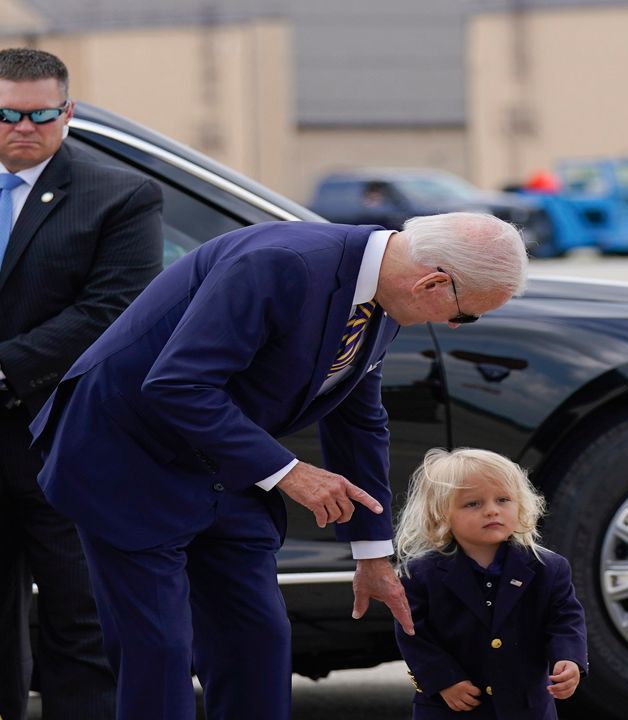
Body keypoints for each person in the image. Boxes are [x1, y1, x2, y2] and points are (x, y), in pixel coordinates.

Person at [29, 212, 528, 720]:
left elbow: (357, 421)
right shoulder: (283, 262)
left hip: (229, 459)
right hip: (129, 456)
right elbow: (178, 384)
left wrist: (372, 551)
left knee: (258, 639)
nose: (451, 325)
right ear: (434, 282)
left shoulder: (383, 296)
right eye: (465, 314)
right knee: (158, 650)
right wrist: (290, 472)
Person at [0, 47, 162, 720]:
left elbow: (113, 309)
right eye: (8, 114)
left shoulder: (119, 193)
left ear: (66, 112)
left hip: (61, 438)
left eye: (41, 113)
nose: (23, 127)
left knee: (78, 619)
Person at [393, 447, 587, 719]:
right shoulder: (420, 573)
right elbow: (413, 633)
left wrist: (569, 658)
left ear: (521, 505)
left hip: (526, 709)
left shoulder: (548, 568)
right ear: (440, 514)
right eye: (473, 503)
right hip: (451, 709)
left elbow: (565, 619)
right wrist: (443, 680)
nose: (492, 511)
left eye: (503, 499)